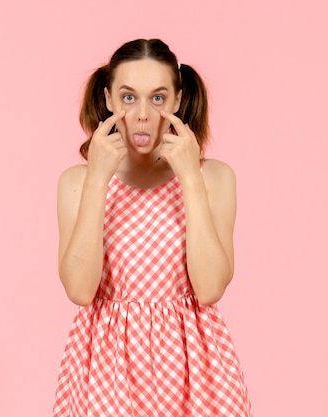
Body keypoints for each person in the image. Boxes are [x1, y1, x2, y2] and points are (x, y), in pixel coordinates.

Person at [53, 38, 253, 416]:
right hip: (106, 370)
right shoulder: (77, 182)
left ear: (177, 100)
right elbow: (80, 290)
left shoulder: (215, 178)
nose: (143, 114)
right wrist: (98, 178)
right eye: (129, 98)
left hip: (197, 370)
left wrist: (189, 177)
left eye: (157, 98)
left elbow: (209, 289)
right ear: (108, 99)